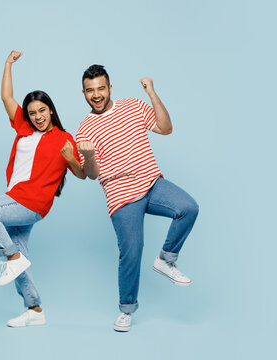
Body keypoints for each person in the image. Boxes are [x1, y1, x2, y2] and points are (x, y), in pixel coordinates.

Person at [75, 65, 199, 332]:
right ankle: (126, 309)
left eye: (100, 88)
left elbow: (166, 129)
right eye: (90, 90)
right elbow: (92, 175)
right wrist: (89, 155)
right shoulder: (85, 128)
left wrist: (152, 93)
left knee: (188, 207)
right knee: (132, 251)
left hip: (152, 183)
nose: (96, 95)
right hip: (122, 197)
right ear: (84, 93)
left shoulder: (133, 105)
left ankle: (166, 259)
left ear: (109, 88)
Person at [0, 51, 85, 328]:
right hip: (15, 198)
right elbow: (6, 98)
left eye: (42, 111)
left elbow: (83, 174)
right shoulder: (23, 127)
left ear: (51, 110)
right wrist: (8, 64)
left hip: (30, 202)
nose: (37, 117)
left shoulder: (63, 138)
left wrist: (73, 159)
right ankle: (34, 309)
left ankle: (11, 258)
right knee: (22, 258)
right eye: (32, 112)